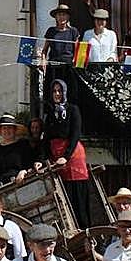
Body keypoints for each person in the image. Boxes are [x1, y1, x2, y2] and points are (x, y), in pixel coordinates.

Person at [42, 79, 90, 228]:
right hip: (56, 156)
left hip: (72, 155)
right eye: (54, 91)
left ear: (64, 93)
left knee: (76, 195)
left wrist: (66, 156)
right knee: (61, 193)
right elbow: (46, 138)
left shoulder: (73, 109)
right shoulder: (50, 113)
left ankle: (83, 228)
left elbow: (75, 134)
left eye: (59, 91)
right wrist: (42, 158)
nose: (57, 94)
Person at [0, 113, 37, 186]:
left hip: (21, 183)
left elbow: (30, 163)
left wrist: (24, 171)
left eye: (9, 128)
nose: (7, 131)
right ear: (0, 131)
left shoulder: (23, 145)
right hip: (1, 187)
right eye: (4, 128)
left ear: (15, 130)